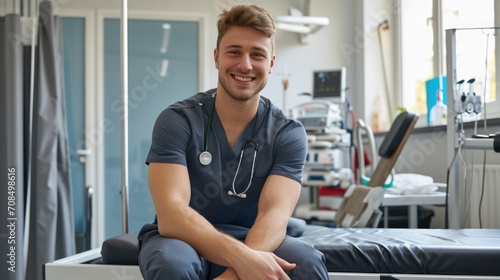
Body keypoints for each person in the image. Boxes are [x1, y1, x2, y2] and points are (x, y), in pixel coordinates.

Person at [137, 3, 329, 280]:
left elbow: (274, 216)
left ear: (271, 63)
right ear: (217, 57)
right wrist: (243, 261)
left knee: (306, 264)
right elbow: (172, 213)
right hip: (182, 238)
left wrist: (232, 275)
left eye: (258, 54)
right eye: (234, 52)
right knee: (172, 265)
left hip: (255, 236)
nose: (245, 65)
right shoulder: (178, 120)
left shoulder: (287, 133)